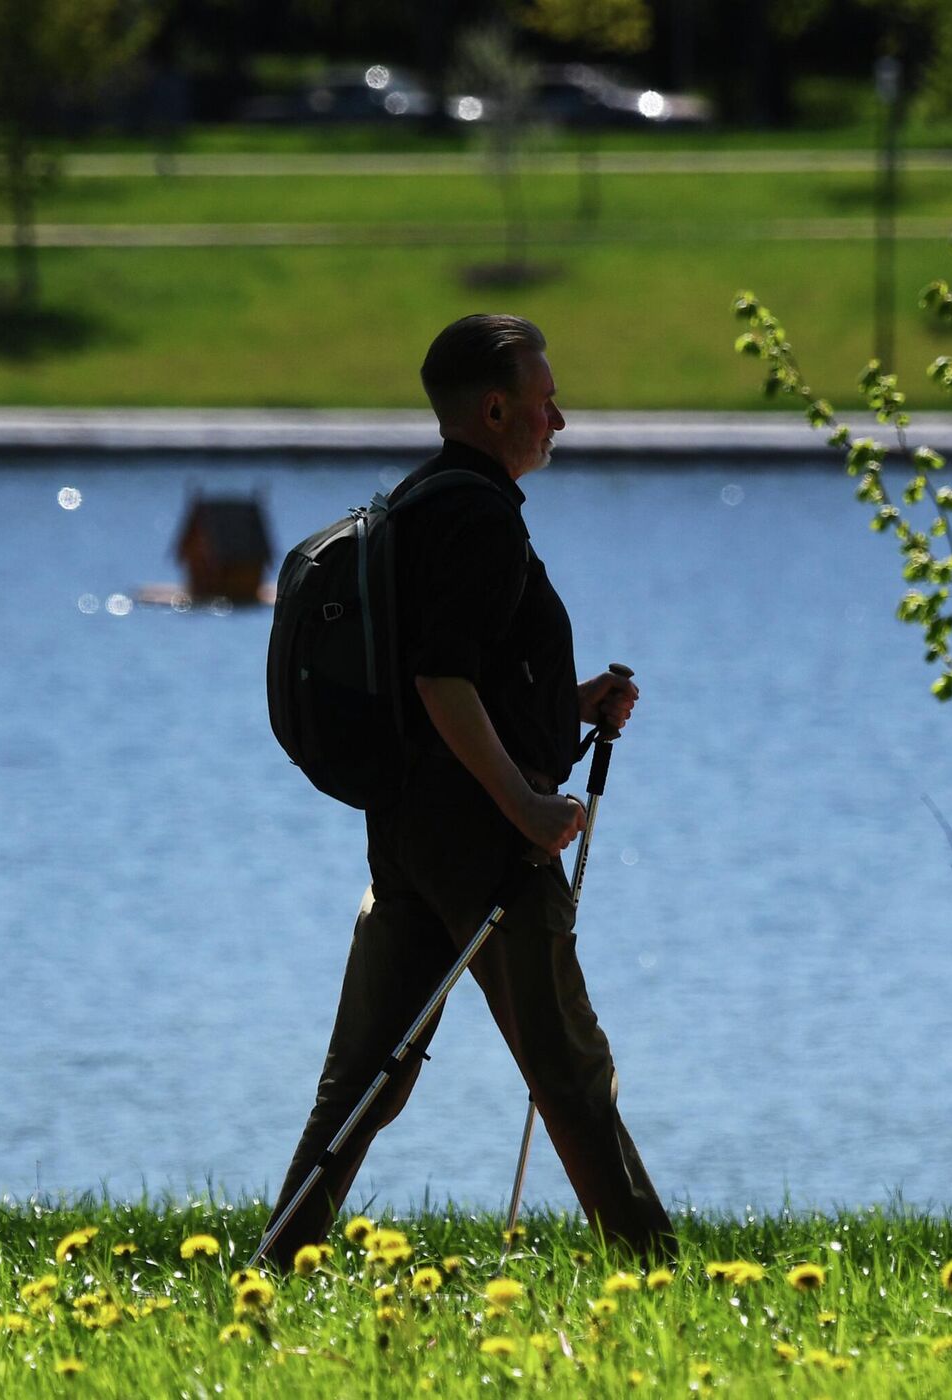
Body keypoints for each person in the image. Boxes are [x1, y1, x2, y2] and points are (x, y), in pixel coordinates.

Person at [261, 314, 674, 1267]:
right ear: (496, 410)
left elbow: (463, 690)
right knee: (570, 1069)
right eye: (544, 403)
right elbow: (441, 686)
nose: (559, 421)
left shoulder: (419, 502)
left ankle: (275, 1265)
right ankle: (657, 1275)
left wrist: (569, 708)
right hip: (484, 845)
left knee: (366, 1078)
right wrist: (529, 808)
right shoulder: (480, 519)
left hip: (409, 835)